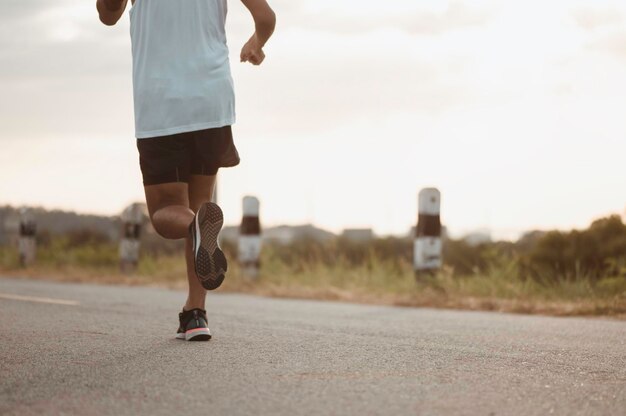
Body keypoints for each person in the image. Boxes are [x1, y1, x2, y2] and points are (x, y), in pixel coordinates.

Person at [96, 0, 276, 341]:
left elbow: (108, 15)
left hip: (162, 101)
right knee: (199, 203)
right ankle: (196, 314)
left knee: (168, 211)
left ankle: (195, 228)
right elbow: (266, 17)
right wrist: (256, 43)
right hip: (212, 99)